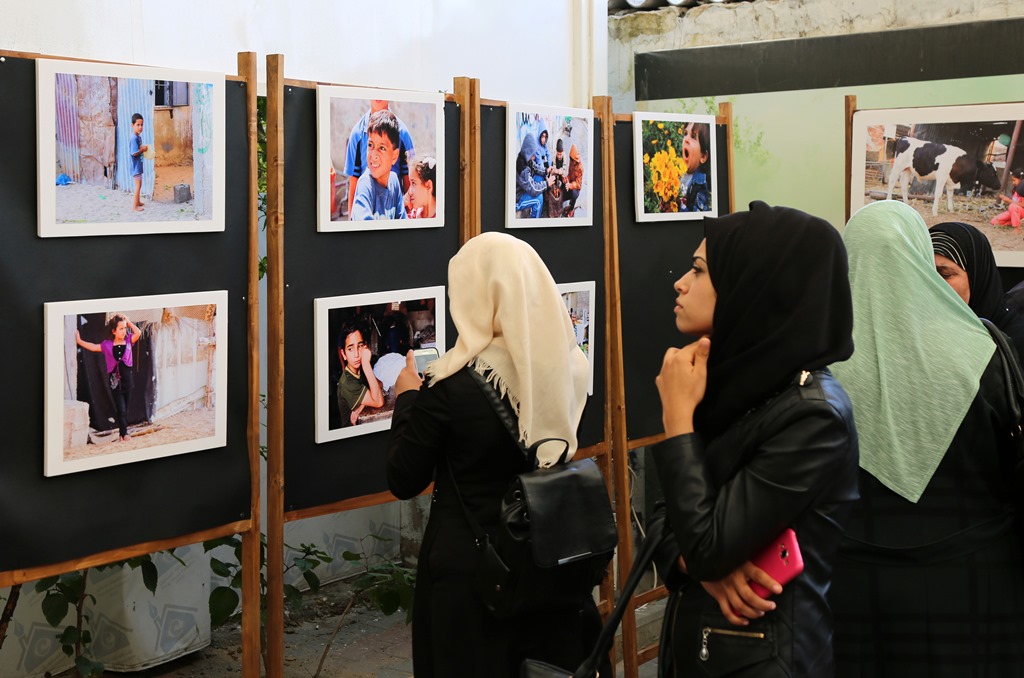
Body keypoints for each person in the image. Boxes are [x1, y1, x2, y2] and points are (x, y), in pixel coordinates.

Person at [647, 200, 860, 677]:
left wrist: (677, 419)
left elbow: (704, 543)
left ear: (755, 285)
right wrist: (706, 567)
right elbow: (663, 519)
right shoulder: (733, 383)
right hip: (708, 650)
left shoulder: (813, 416)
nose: (681, 282)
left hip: (763, 659)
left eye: (699, 271)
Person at [386, 232, 602, 678]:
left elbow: (404, 478)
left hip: (472, 579)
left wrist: (407, 398)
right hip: (546, 565)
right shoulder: (569, 371)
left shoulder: (450, 385)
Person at [829, 200, 1024, 677]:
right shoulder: (982, 350)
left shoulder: (817, 363)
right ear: (919, 257)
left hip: (847, 586)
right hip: (971, 584)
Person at [930, 220, 1024, 359]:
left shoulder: (1014, 340)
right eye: (927, 274)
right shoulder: (919, 331)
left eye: (945, 274)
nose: (934, 283)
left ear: (976, 276)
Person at [75, 313, 143, 441]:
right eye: (121, 328)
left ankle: (122, 435)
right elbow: (94, 347)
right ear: (114, 331)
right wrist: (80, 341)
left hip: (128, 382)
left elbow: (138, 333)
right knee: (121, 409)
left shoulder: (129, 340)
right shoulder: (107, 345)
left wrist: (128, 323)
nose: (124, 331)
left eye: (125, 328)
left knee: (125, 409)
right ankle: (125, 434)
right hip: (115, 382)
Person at [344, 99, 415, 218]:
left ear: (395, 155)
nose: (374, 155)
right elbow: (353, 181)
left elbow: (410, 177)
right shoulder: (356, 134)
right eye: (370, 145)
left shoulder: (403, 133)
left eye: (382, 148)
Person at [335, 319, 384, 427]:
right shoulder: (347, 383)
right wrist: (366, 364)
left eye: (360, 346)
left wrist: (362, 405)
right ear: (343, 354)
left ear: (366, 347)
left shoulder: (359, 371)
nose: (356, 354)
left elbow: (380, 384)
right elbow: (378, 401)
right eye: (350, 349)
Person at [514, 133, 552, 219]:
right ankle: (534, 222)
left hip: (525, 188)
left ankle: (536, 211)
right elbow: (533, 190)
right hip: (518, 198)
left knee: (540, 177)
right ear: (528, 151)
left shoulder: (526, 157)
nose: (534, 157)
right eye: (533, 154)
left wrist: (546, 170)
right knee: (539, 199)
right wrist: (547, 184)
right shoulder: (522, 168)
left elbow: (536, 167)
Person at [678, 120, 712, 213]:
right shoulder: (677, 173)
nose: (686, 139)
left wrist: (677, 210)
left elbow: (697, 215)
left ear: (703, 156)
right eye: (685, 134)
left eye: (693, 137)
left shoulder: (700, 185)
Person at [129, 113, 149, 212]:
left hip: (138, 165)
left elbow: (138, 149)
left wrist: (142, 148)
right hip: (135, 166)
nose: (140, 127)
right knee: (138, 186)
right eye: (138, 125)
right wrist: (142, 150)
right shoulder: (134, 138)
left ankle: (138, 202)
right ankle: (134, 206)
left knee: (139, 185)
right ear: (132, 125)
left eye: (142, 125)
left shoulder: (138, 137)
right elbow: (133, 153)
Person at [564, 142, 584, 216]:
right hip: (571, 183)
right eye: (571, 159)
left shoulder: (580, 168)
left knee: (574, 194)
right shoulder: (571, 163)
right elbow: (569, 174)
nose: (572, 162)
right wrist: (566, 179)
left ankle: (571, 208)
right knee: (563, 187)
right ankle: (568, 204)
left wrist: (570, 185)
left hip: (576, 188)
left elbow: (578, 184)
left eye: (573, 160)